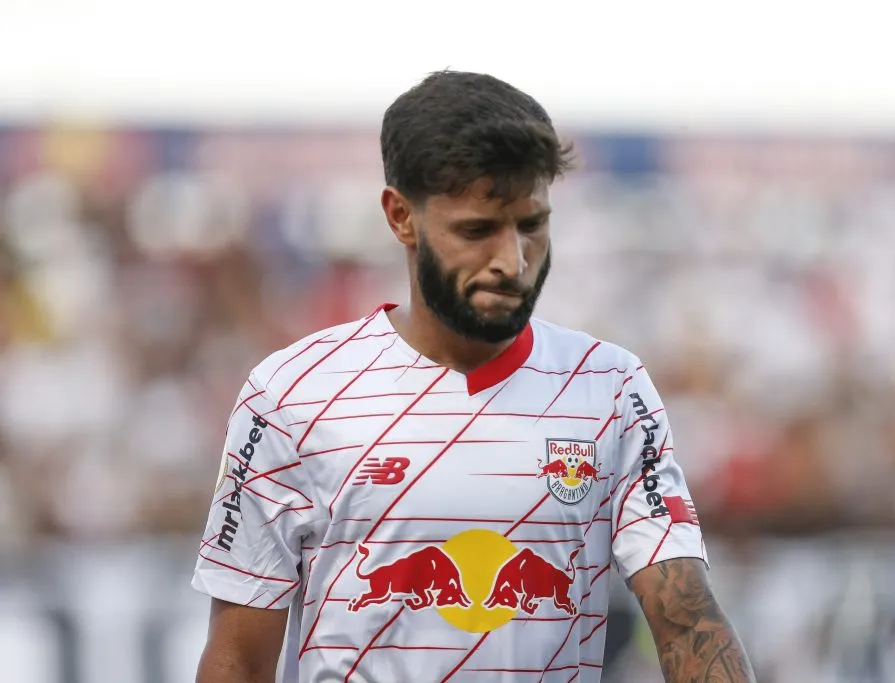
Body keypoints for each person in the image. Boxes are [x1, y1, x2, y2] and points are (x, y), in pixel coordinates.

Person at [192, 70, 755, 683]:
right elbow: (239, 660)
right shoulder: (289, 396)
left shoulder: (611, 388)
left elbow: (686, 619)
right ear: (400, 216)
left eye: (532, 225)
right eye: (477, 230)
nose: (511, 261)